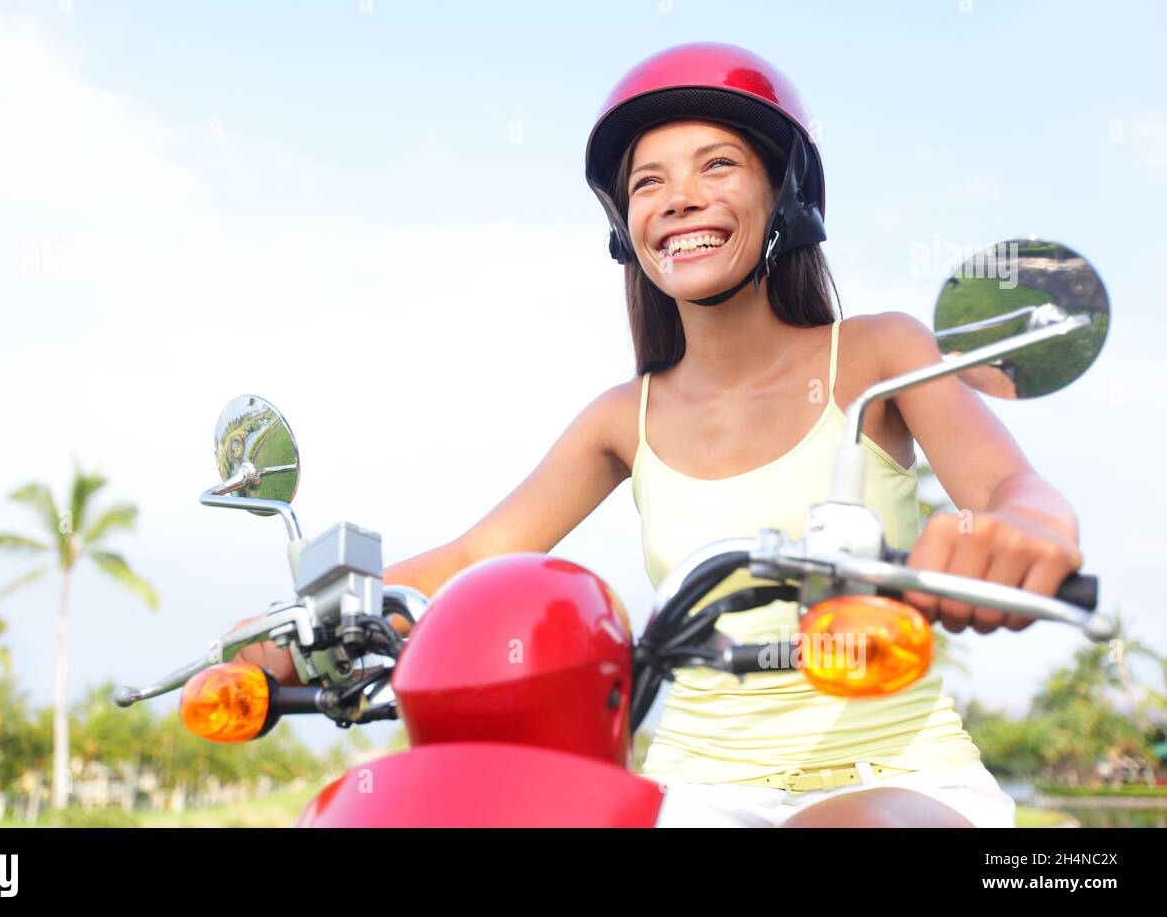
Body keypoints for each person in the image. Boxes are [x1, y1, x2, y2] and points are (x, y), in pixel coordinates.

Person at [237, 42, 1083, 827]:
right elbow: (469, 562)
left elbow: (1011, 488)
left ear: (785, 197)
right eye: (648, 182)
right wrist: (278, 637)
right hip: (691, 787)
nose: (680, 196)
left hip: (893, 778)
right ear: (626, 225)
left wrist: (1022, 533)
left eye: (718, 165)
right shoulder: (621, 417)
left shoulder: (879, 354)